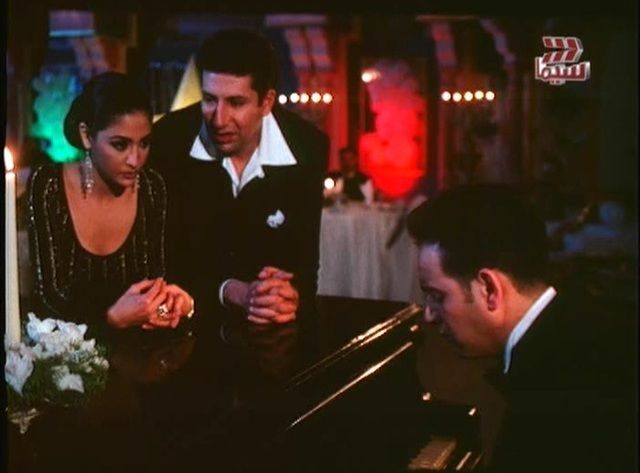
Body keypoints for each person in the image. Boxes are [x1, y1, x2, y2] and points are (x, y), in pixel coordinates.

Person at [406, 185, 635, 473]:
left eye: (437, 296)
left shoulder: (555, 397)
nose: (428, 315)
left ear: (489, 290)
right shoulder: (580, 325)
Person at [151, 29, 329, 324]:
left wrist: (289, 296)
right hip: (184, 322)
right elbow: (160, 268)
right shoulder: (167, 141)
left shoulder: (307, 146)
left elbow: (305, 268)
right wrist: (230, 291)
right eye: (209, 99)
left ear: (267, 102)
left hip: (271, 325)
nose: (219, 120)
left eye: (236, 103)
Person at [27, 72, 194, 331]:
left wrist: (174, 307)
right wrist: (111, 319)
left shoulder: (153, 189)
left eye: (144, 143)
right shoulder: (48, 185)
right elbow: (50, 300)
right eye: (120, 145)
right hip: (68, 350)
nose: (135, 160)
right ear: (86, 136)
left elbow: (156, 293)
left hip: (145, 346)